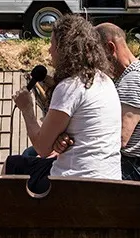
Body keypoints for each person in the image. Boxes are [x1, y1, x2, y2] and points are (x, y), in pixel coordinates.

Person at [8, 14, 121, 188]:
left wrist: (27, 109)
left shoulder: (70, 87)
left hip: (73, 183)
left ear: (64, 49)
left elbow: (42, 149)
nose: (49, 50)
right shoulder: (106, 81)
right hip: (110, 179)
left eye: (52, 44)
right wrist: (60, 138)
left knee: (12, 165)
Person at [96, 23, 140, 182]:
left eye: (97, 55)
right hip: (135, 166)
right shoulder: (138, 73)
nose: (96, 63)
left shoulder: (134, 80)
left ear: (110, 48)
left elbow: (120, 137)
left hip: (133, 169)